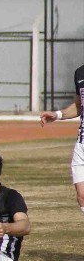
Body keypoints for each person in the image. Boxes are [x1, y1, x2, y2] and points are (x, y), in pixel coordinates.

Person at [39, 64, 84, 217]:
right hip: (82, 143)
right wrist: (57, 115)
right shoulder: (80, 72)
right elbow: (79, 105)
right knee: (82, 196)